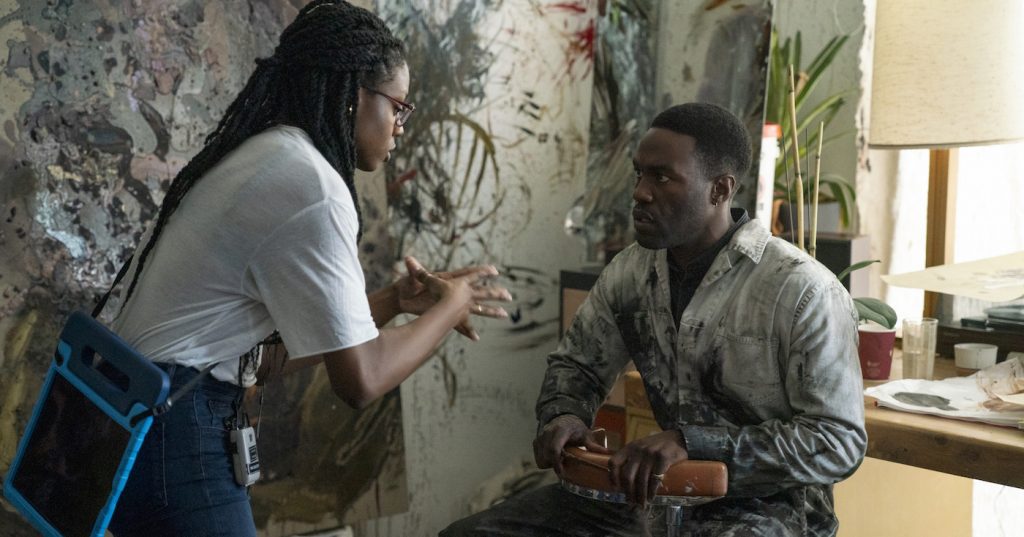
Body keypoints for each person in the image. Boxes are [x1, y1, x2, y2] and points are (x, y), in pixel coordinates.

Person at [105, 2, 510, 535]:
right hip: (177, 433)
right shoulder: (312, 186)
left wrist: (391, 303)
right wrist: (449, 307)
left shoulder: (266, 152)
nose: (399, 129)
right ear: (353, 96)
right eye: (398, 107)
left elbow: (262, 360)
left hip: (136, 421)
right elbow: (361, 381)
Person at [442, 102, 866, 536]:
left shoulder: (802, 289)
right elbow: (577, 366)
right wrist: (564, 414)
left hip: (770, 510)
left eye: (662, 177)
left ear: (719, 189)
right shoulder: (630, 272)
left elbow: (838, 442)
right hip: (657, 498)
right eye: (639, 173)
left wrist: (692, 444)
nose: (641, 192)